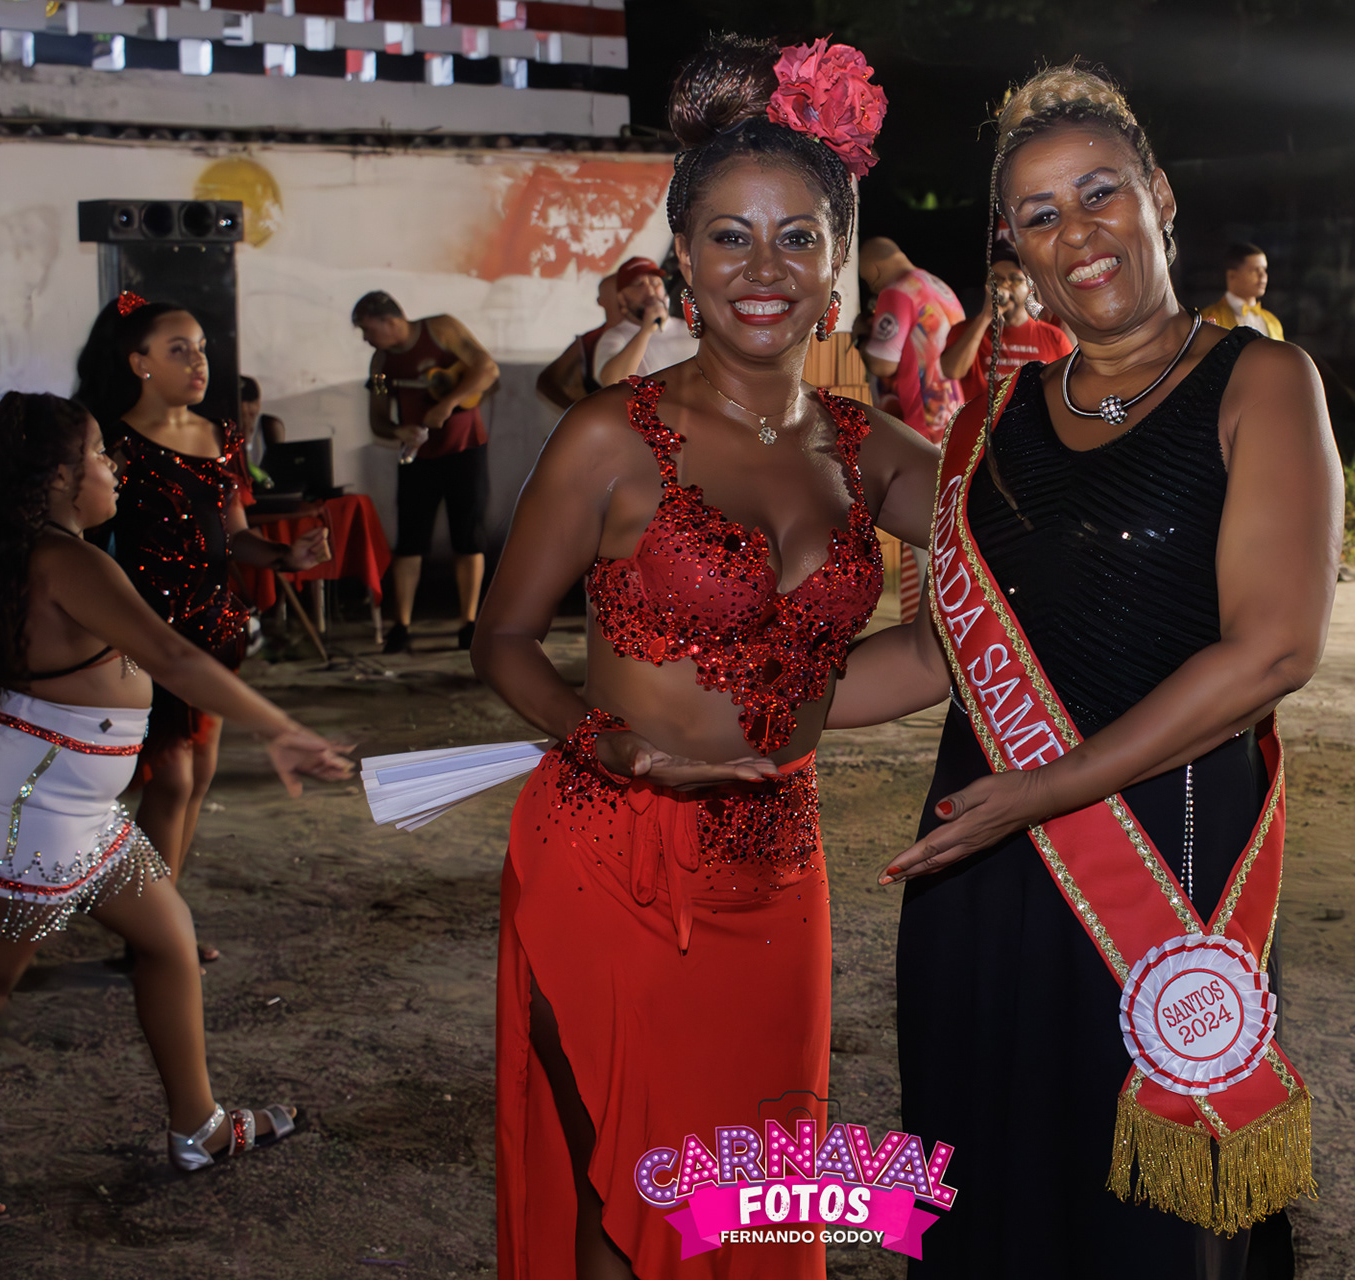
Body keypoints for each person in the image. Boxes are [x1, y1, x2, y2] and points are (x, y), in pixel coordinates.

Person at [827, 64, 1337, 1278]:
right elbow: (939, 652)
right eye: (1041, 213)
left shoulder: (1260, 382)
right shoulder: (991, 417)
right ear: (1014, 243)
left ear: (1159, 194)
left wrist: (1046, 789)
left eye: (1101, 192)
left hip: (1163, 854)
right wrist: (738, 706)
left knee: (1145, 1222)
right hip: (981, 855)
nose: (1079, 232)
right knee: (988, 1183)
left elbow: (1274, 646)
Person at [470, 33, 933, 1279]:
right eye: (730, 236)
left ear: (836, 263)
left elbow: (1003, 569)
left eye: (796, 238)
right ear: (682, 258)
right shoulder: (609, 438)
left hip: (778, 874)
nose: (762, 268)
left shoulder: (872, 451)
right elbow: (501, 636)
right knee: (630, 1207)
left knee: (750, 1207)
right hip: (609, 857)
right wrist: (604, 739)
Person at [0, 393, 352, 1238]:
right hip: (33, 810)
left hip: (72, 800)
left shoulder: (47, 554)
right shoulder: (66, 561)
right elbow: (173, 656)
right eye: (101, 455)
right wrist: (283, 730)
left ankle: (199, 1127)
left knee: (169, 939)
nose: (115, 469)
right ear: (57, 475)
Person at [75, 296, 331, 966]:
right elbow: (82, 542)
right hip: (149, 637)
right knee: (173, 780)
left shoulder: (220, 434)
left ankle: (159, 923)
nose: (199, 363)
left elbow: (236, 535)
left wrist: (287, 557)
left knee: (198, 777)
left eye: (202, 349)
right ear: (139, 363)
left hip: (215, 627)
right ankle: (153, 937)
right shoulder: (113, 445)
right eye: (178, 350)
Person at [354, 291, 501, 656]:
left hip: (465, 449)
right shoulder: (381, 362)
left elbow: (487, 369)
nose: (366, 339)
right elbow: (377, 420)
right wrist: (397, 430)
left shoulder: (441, 329)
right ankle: (401, 625)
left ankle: (468, 623)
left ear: (390, 320)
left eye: (368, 329)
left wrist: (448, 403)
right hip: (418, 456)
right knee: (410, 542)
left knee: (468, 537)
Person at [858, 235, 965, 444]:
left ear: (874, 270)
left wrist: (861, 337)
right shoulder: (939, 287)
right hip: (950, 416)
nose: (872, 288)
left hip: (918, 424)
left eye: (868, 280)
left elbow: (882, 365)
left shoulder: (898, 291)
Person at [940, 245, 1075, 406]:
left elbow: (1067, 389)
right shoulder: (966, 331)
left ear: (1028, 287)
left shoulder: (1054, 338)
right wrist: (985, 317)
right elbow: (951, 371)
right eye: (996, 279)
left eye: (1014, 279)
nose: (1004, 286)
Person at [592, 256, 702, 386]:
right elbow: (612, 382)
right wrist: (646, 331)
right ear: (622, 298)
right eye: (639, 284)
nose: (650, 290)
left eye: (655, 283)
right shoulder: (615, 337)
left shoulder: (690, 327)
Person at [536, 274, 621, 410]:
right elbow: (546, 381)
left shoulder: (648, 331)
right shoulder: (590, 340)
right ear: (600, 301)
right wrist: (576, 411)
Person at [1197, 241, 1285, 339]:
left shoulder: (1272, 321)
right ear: (1232, 276)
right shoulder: (1209, 317)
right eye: (1254, 270)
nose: (1262, 276)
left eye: (1264, 269)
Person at [237, 374, 286, 487]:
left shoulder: (269, 426)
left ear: (257, 405)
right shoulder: (220, 432)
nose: (246, 417)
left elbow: (277, 472)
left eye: (251, 414)